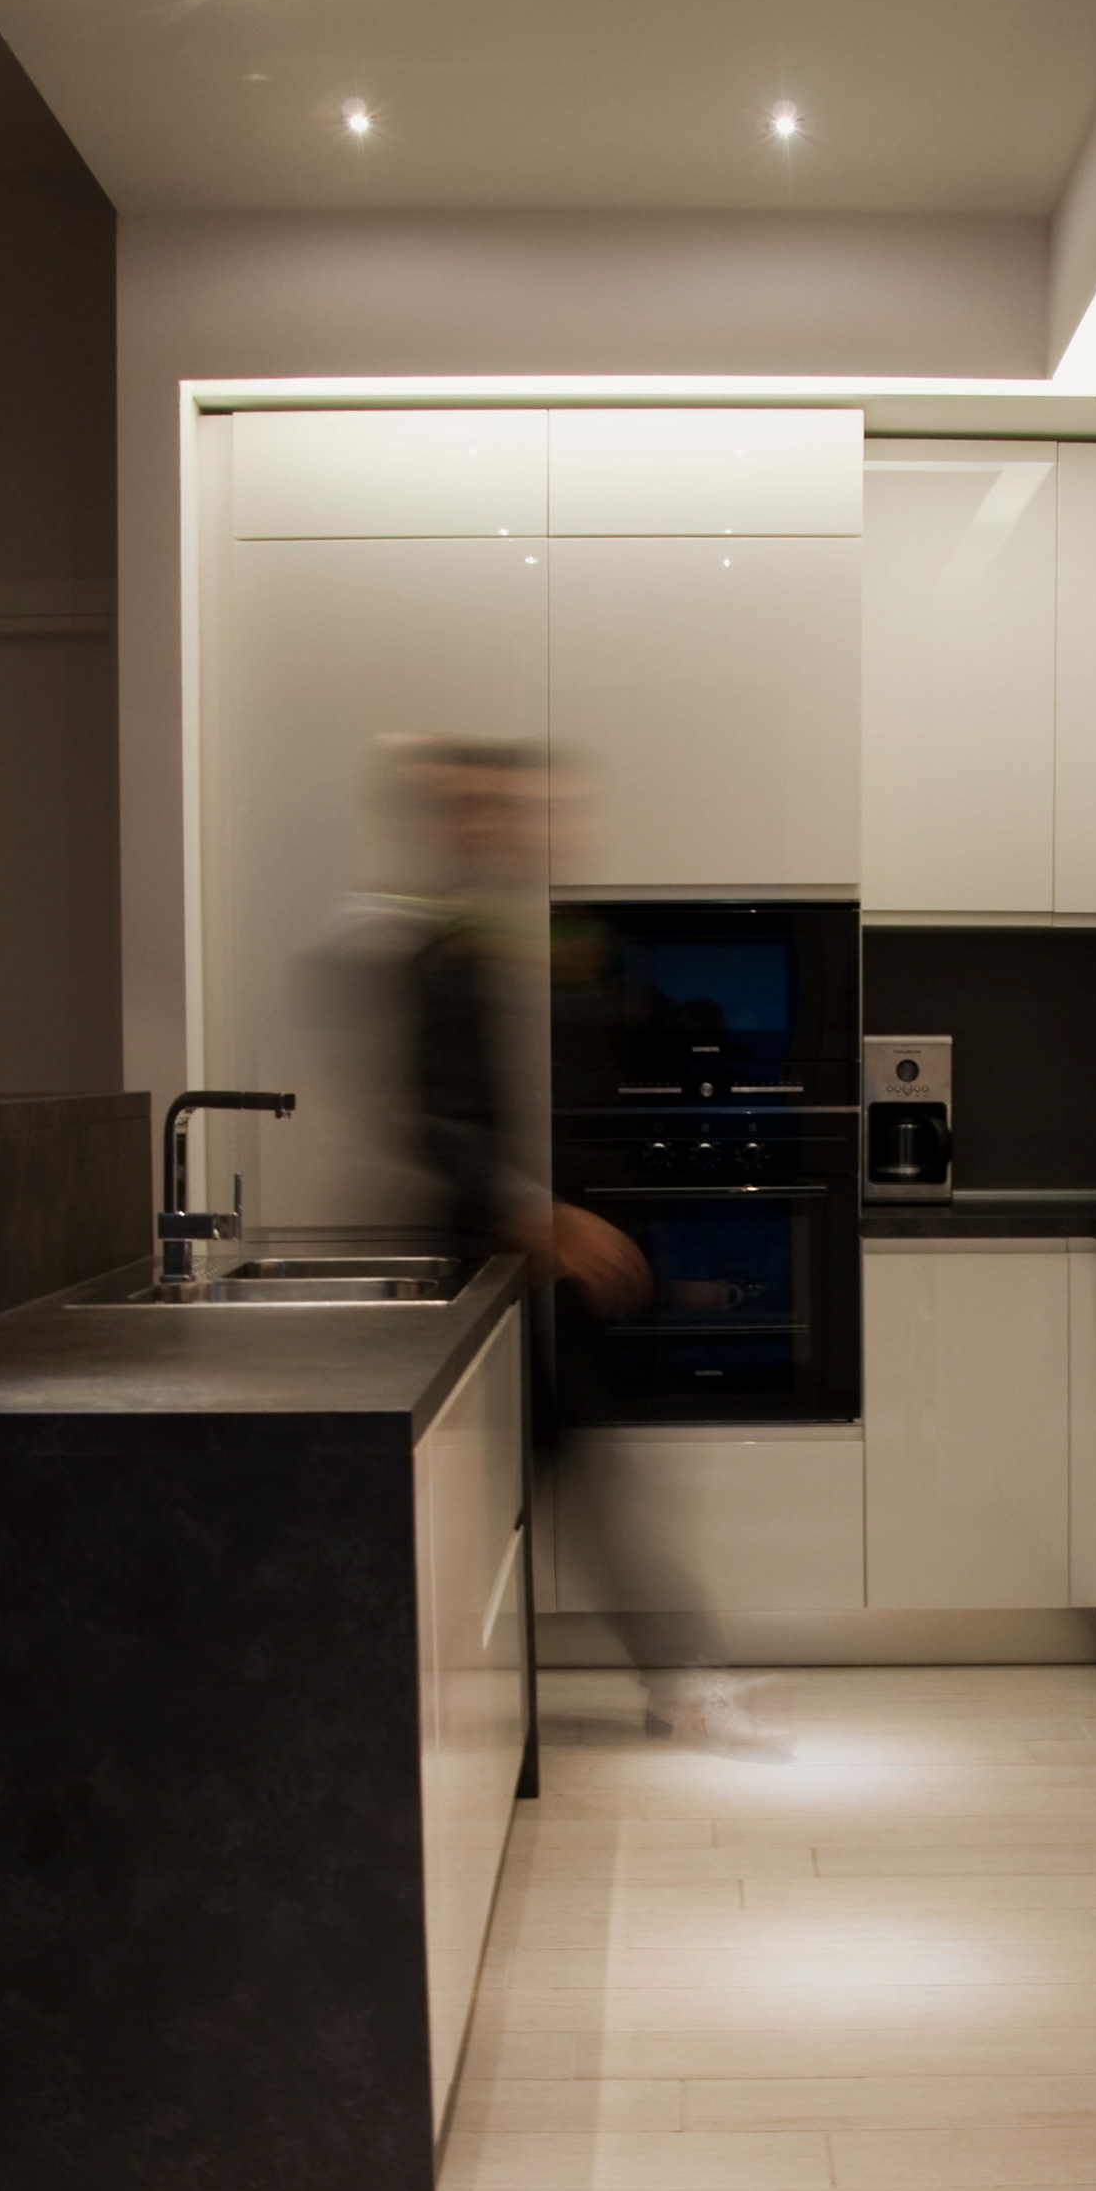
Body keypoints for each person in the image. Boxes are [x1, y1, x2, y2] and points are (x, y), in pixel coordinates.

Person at [376, 735, 788, 1755]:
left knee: (589, 1484)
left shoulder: (544, 945)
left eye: (518, 808)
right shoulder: (439, 954)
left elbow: (620, 1046)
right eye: (479, 808)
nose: (506, 826)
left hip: (550, 1271)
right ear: (449, 823)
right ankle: (670, 1682)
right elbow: (440, 1125)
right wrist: (543, 1215)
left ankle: (673, 1678)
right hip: (481, 1274)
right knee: (543, 1494)